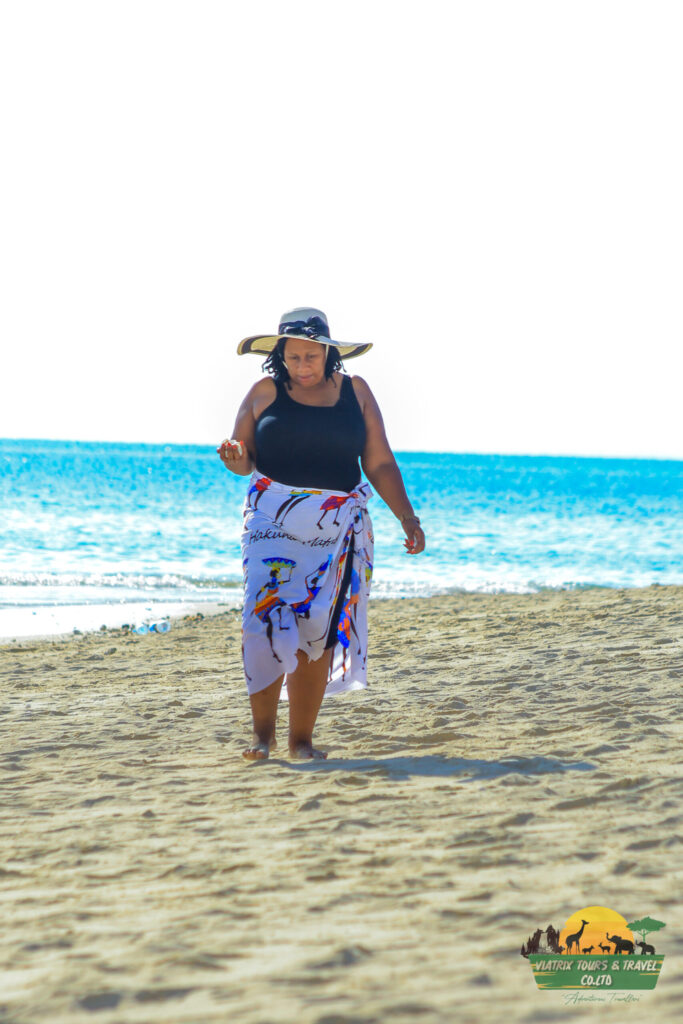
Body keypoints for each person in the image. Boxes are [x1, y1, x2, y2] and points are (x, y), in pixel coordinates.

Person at [218, 307, 425, 761]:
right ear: (280, 355)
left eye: (311, 356)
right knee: (263, 621)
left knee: (317, 631)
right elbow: (243, 461)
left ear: (330, 354)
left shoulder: (356, 392)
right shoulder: (264, 392)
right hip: (271, 523)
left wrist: (407, 518)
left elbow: (379, 461)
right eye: (293, 357)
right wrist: (234, 456)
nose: (302, 366)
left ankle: (301, 741)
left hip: (336, 530)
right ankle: (262, 736)